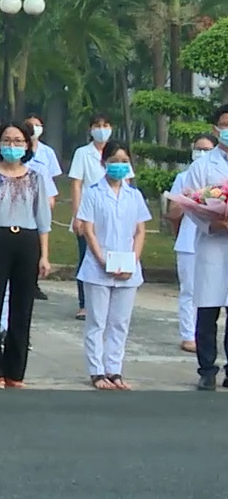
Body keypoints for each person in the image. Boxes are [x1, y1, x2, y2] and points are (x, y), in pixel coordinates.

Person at [0, 120, 53, 388]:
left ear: (27, 145)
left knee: (22, 307)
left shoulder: (36, 178)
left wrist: (44, 255)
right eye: (7, 140)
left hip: (27, 241)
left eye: (18, 141)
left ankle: (15, 371)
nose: (12, 145)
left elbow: (43, 220)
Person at [76, 141, 146, 390]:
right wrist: (102, 259)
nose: (119, 166)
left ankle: (114, 369)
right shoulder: (93, 193)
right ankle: (96, 371)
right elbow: (89, 230)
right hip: (98, 268)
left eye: (124, 161)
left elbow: (139, 231)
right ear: (103, 162)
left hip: (128, 267)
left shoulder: (134, 195)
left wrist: (133, 260)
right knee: (97, 321)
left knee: (120, 322)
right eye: (114, 161)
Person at [177, 105, 228, 390]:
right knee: (208, 309)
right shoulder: (202, 166)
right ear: (215, 129)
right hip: (211, 244)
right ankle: (207, 368)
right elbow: (192, 205)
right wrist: (215, 224)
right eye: (224, 124)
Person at [169, 132, 217, 354]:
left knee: (212, 293)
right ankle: (188, 334)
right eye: (198, 148)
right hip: (188, 242)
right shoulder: (183, 177)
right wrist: (189, 200)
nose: (201, 153)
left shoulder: (219, 178)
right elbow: (174, 213)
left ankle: (207, 336)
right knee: (189, 290)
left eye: (206, 149)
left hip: (214, 240)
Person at [67, 114, 117, 321]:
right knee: (86, 257)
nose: (101, 129)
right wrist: (78, 215)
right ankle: (84, 303)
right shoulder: (83, 153)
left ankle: (109, 302)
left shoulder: (116, 152)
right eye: (97, 125)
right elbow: (77, 184)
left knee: (111, 255)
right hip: (88, 213)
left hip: (112, 213)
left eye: (105, 125)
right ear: (90, 130)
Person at [24, 112, 61, 301]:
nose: (34, 129)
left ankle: (34, 283)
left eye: (37, 125)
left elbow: (51, 178)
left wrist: (50, 199)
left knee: (39, 244)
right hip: (22, 203)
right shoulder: (20, 151)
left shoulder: (47, 152)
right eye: (30, 125)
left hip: (42, 203)